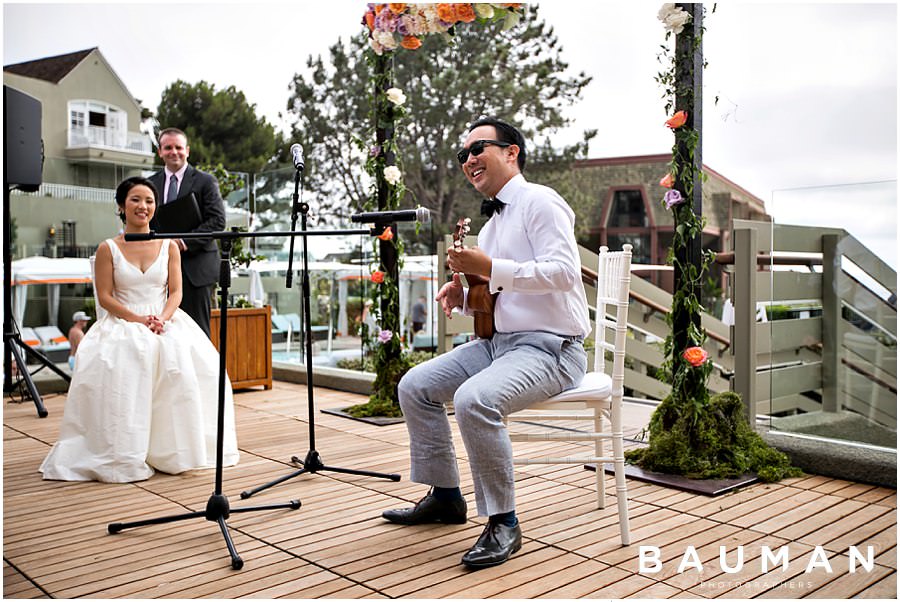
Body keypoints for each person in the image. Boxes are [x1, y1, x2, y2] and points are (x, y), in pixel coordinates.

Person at [382, 117, 590, 569]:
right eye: (463, 155)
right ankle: (445, 496)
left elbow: (565, 273)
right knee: (414, 386)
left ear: (511, 152)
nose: (468, 160)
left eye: (478, 150)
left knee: (474, 399)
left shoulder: (541, 202)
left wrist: (492, 268)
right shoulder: (494, 221)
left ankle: (504, 521)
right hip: (500, 343)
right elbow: (498, 293)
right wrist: (464, 295)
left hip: (553, 348)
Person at [40, 176, 239, 483]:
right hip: (123, 320)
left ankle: (174, 449)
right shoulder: (108, 248)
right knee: (129, 357)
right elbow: (106, 297)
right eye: (135, 200)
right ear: (121, 206)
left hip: (165, 319)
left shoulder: (169, 245)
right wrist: (137, 319)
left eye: (149, 200)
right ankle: (128, 449)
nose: (142, 206)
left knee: (198, 365)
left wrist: (163, 317)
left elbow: (176, 292)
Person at [148, 127, 225, 337]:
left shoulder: (205, 182)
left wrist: (182, 242)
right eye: (168, 147)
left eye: (178, 147)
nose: (174, 152)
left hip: (195, 270)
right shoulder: (150, 184)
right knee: (162, 330)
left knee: (197, 333)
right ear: (160, 152)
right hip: (160, 270)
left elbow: (218, 221)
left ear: (187, 150)